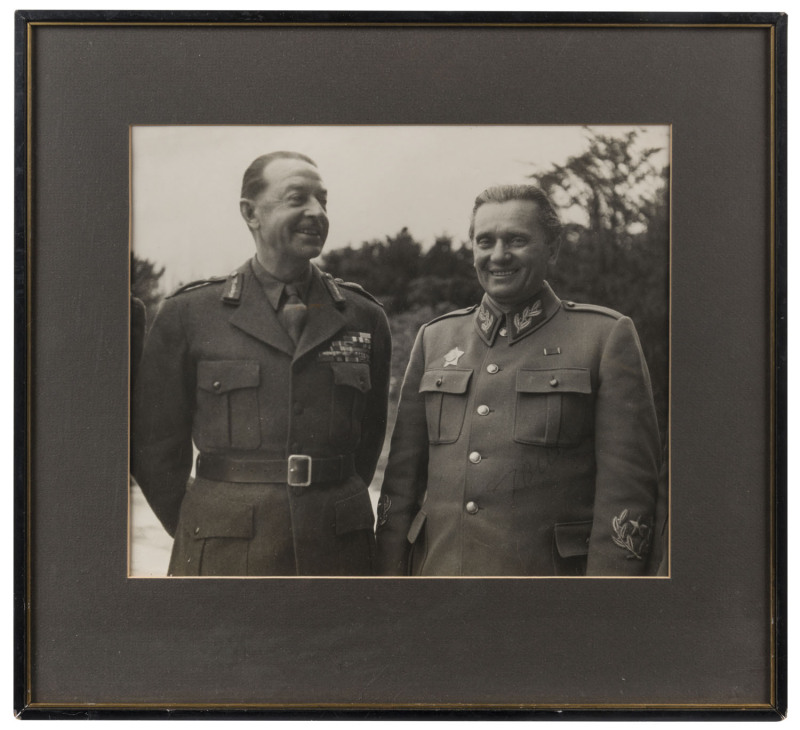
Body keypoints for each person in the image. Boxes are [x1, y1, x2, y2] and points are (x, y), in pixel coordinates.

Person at [376, 184, 661, 577]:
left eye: (516, 240)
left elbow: (628, 493)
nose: (498, 256)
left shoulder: (604, 337)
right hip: (438, 585)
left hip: (549, 598)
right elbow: (400, 485)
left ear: (553, 247)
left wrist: (604, 603)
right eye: (485, 241)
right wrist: (389, 582)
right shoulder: (436, 338)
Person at [132, 151, 391, 576]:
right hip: (223, 554)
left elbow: (369, 439)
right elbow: (155, 447)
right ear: (250, 213)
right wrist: (203, 526)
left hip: (338, 552)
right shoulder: (189, 313)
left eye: (323, 201)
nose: (317, 213)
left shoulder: (364, 316)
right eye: (297, 198)